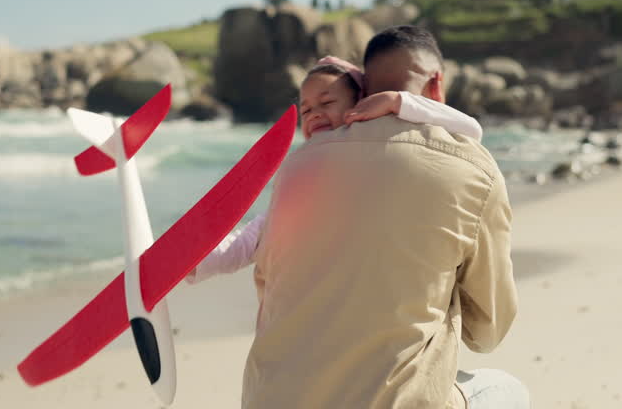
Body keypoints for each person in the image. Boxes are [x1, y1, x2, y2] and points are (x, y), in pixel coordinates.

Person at [242, 26, 527, 409]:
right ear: (437, 83)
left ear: (363, 90)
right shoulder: (473, 166)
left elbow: (269, 290)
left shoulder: (298, 164)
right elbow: (488, 332)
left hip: (269, 400)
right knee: (507, 390)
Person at [186, 55, 482, 284]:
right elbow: (252, 238)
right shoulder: (303, 170)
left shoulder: (384, 153)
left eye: (327, 102)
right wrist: (191, 261)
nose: (314, 114)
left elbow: (469, 129)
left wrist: (397, 102)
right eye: (305, 110)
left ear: (361, 105)